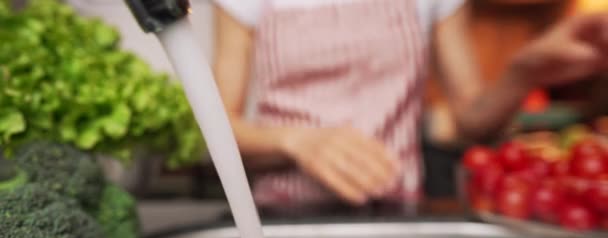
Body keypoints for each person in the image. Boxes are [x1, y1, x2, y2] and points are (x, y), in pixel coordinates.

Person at [212, 0, 608, 210]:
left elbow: (472, 120)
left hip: (400, 212)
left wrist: (525, 70)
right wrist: (297, 142)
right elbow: (212, 128)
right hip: (281, 217)